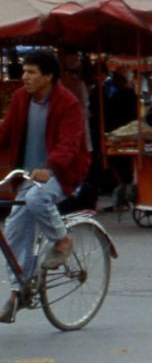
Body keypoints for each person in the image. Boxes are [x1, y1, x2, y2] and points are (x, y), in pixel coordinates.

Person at [0, 51, 90, 323]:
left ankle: (62, 240)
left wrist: (50, 168)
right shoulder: (20, 99)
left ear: (48, 76)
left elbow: (69, 144)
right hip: (27, 176)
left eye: (31, 72)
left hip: (60, 173)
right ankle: (18, 292)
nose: (24, 77)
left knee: (38, 200)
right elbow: (6, 132)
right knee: (14, 229)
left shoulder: (67, 103)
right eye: (24, 72)